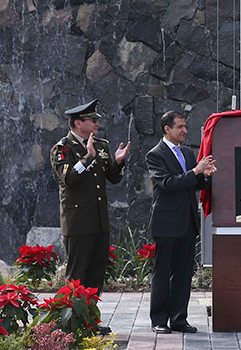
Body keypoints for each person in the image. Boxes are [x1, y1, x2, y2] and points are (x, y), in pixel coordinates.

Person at [50, 99, 130, 325]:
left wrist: (118, 162)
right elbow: (68, 180)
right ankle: (72, 322)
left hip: (99, 221)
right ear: (77, 123)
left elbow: (113, 178)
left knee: (96, 274)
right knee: (77, 276)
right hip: (78, 223)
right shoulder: (62, 148)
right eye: (92, 120)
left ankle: (90, 320)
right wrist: (87, 157)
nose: (96, 123)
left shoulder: (101, 145)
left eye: (97, 120)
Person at [146, 111, 217, 334]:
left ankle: (179, 319)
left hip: (187, 222)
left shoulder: (187, 152)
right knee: (163, 272)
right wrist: (195, 170)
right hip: (166, 223)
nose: (185, 130)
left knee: (184, 273)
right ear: (167, 129)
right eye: (180, 127)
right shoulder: (155, 154)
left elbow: (195, 185)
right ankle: (159, 319)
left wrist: (205, 176)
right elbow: (167, 183)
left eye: (185, 126)